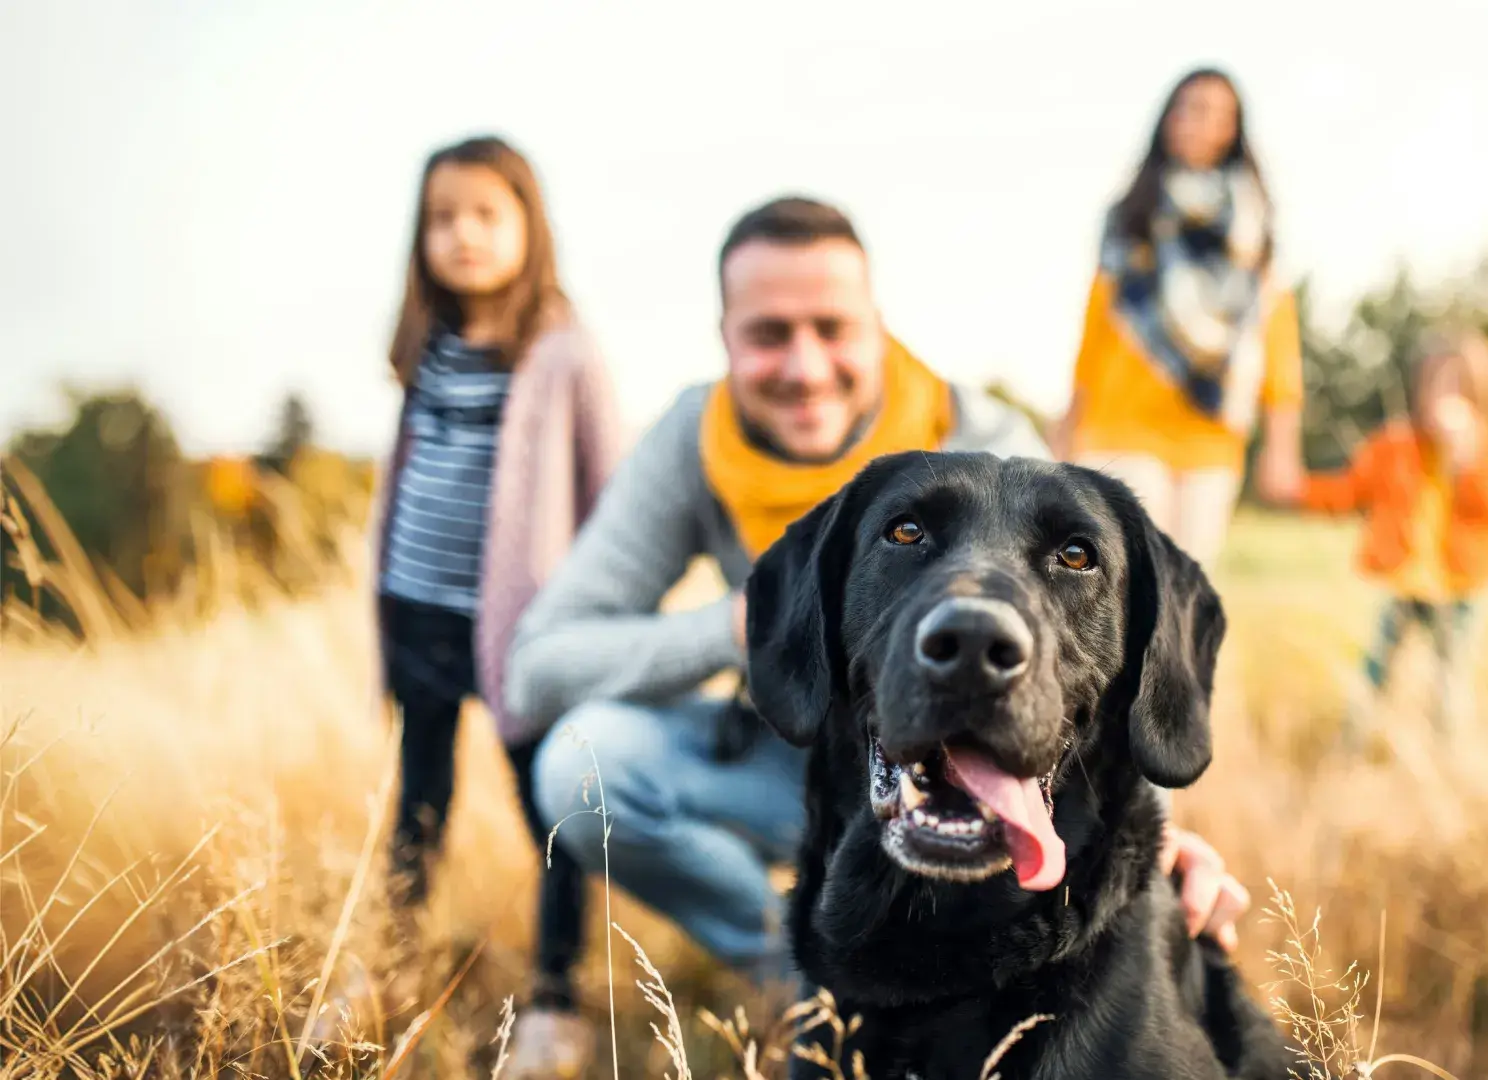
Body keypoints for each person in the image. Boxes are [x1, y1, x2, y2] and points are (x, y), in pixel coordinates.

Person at [504, 196, 1253, 1062]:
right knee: (581, 760)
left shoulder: (984, 439)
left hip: (994, 759)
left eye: (832, 327)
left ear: (878, 326)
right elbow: (538, 667)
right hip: (803, 744)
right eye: (769, 333)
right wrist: (739, 628)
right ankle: (812, 973)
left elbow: (1094, 645)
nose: (806, 364)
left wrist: (1153, 840)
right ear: (723, 337)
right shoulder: (692, 441)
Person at [348, 135, 623, 1069]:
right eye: (441, 218)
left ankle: (555, 996)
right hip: (419, 610)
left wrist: (592, 614)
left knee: (551, 804)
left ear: (527, 226)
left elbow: (612, 493)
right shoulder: (425, 344)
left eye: (484, 215)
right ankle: (389, 964)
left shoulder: (561, 348)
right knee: (418, 800)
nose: (461, 235)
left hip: (519, 629)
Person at [1051, 66, 1307, 568]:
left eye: (1218, 114)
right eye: (1190, 107)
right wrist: (1066, 425)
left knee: (1185, 584)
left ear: (1234, 130)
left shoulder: (1254, 230)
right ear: (1168, 119)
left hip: (1211, 437)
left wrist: (1282, 446)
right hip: (1121, 427)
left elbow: (1277, 340)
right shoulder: (1131, 217)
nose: (1202, 122)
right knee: (1128, 571)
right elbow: (1096, 330)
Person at [1289, 326, 1488, 745]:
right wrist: (1298, 489)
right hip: (1405, 583)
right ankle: (1351, 745)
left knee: (1449, 678)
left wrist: (1464, 457)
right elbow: (1349, 490)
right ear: (1422, 389)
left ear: (1481, 393)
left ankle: (1447, 752)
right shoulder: (1395, 446)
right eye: (1438, 384)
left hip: (1460, 589)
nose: (1445, 397)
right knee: (1376, 669)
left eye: (1459, 385)